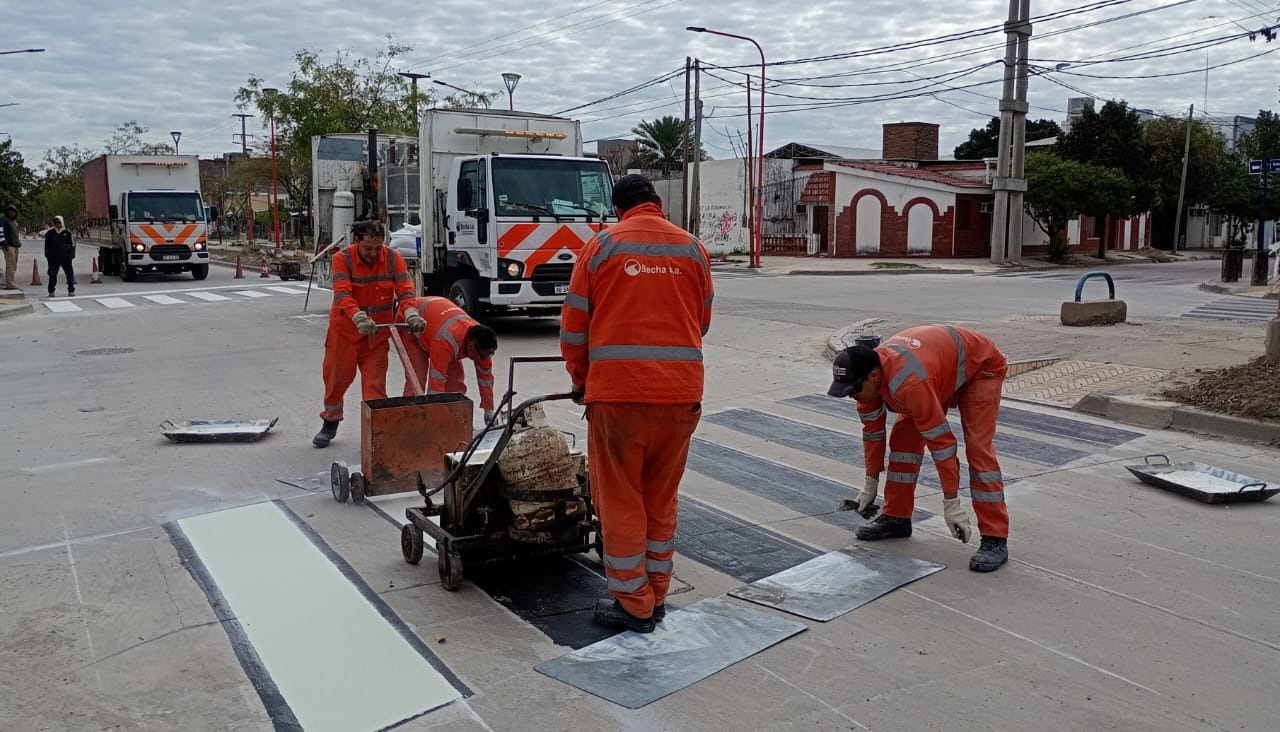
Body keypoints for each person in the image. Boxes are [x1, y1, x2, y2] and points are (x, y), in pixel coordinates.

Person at [560, 174, 714, 633]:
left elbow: (574, 328)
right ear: (657, 202)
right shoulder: (692, 248)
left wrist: (580, 379)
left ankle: (633, 603)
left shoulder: (602, 246)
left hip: (618, 396)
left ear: (617, 209)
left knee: (620, 498)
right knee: (661, 498)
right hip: (681, 396)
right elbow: (702, 321)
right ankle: (657, 593)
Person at [827, 325, 1011, 572]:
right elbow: (873, 435)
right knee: (903, 442)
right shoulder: (867, 385)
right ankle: (897, 517)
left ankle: (995, 537)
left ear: (874, 376)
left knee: (979, 449)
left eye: (854, 390)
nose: (852, 396)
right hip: (938, 370)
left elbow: (943, 445)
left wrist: (951, 503)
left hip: (980, 366)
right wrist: (870, 483)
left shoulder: (910, 383)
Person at [314, 220, 416, 448]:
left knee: (375, 388)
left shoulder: (393, 259)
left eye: (378, 248)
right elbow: (342, 294)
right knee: (336, 382)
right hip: (345, 334)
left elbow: (406, 290)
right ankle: (331, 420)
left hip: (376, 336)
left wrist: (410, 311)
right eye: (368, 248)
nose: (373, 253)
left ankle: (377, 434)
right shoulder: (343, 259)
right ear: (356, 241)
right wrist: (358, 316)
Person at [395, 295, 498, 421]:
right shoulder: (446, 340)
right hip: (411, 321)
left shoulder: (482, 344)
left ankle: (456, 419)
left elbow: (485, 380)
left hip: (436, 317)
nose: (484, 359)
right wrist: (435, 421)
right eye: (482, 356)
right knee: (417, 378)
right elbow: (435, 386)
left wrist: (489, 411)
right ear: (471, 346)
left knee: (455, 383)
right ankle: (409, 419)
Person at [44, 216, 76, 297]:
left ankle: (71, 289)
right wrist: (48, 256)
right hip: (54, 258)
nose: (57, 224)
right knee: (52, 275)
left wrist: (71, 255)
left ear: (62, 222)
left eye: (59, 222)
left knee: (69, 274)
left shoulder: (68, 233)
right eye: (55, 222)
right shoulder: (50, 233)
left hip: (66, 257)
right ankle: (51, 290)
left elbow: (73, 244)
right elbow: (47, 246)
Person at [2, 205, 20, 290]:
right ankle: (10, 284)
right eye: (10, 211)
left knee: (14, 265)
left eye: (13, 211)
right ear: (7, 212)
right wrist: (3, 243)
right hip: (9, 245)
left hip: (16, 245)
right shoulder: (4, 220)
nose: (12, 213)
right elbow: (0, 231)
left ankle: (11, 282)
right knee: (11, 265)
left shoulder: (14, 221)